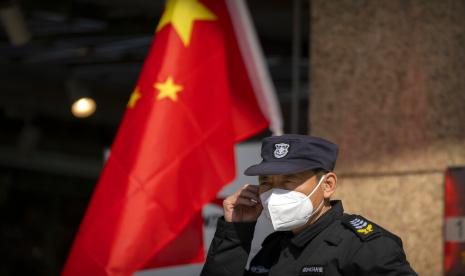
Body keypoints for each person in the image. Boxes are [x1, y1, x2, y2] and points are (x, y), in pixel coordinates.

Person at [201, 134, 417, 276]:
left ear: (328, 185)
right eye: (266, 182)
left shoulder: (364, 246)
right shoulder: (272, 249)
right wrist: (235, 232)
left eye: (288, 181)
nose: (275, 192)